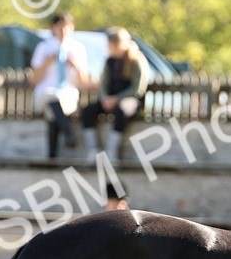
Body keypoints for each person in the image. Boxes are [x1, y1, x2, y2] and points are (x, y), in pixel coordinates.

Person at [81, 27, 150, 163]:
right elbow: (103, 84)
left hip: (130, 100)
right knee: (88, 111)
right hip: (110, 99)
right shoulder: (110, 61)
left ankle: (111, 151)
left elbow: (138, 89)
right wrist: (105, 97)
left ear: (118, 44)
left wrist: (117, 99)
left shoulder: (135, 60)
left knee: (121, 111)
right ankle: (93, 150)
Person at [29, 13, 90, 160]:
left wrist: (74, 65)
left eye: (66, 27)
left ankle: (52, 154)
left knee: (54, 109)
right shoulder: (44, 47)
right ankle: (68, 134)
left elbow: (85, 82)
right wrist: (47, 63)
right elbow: (34, 80)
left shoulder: (77, 48)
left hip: (68, 92)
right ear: (53, 28)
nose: (63, 30)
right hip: (45, 91)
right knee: (52, 97)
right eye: (60, 26)